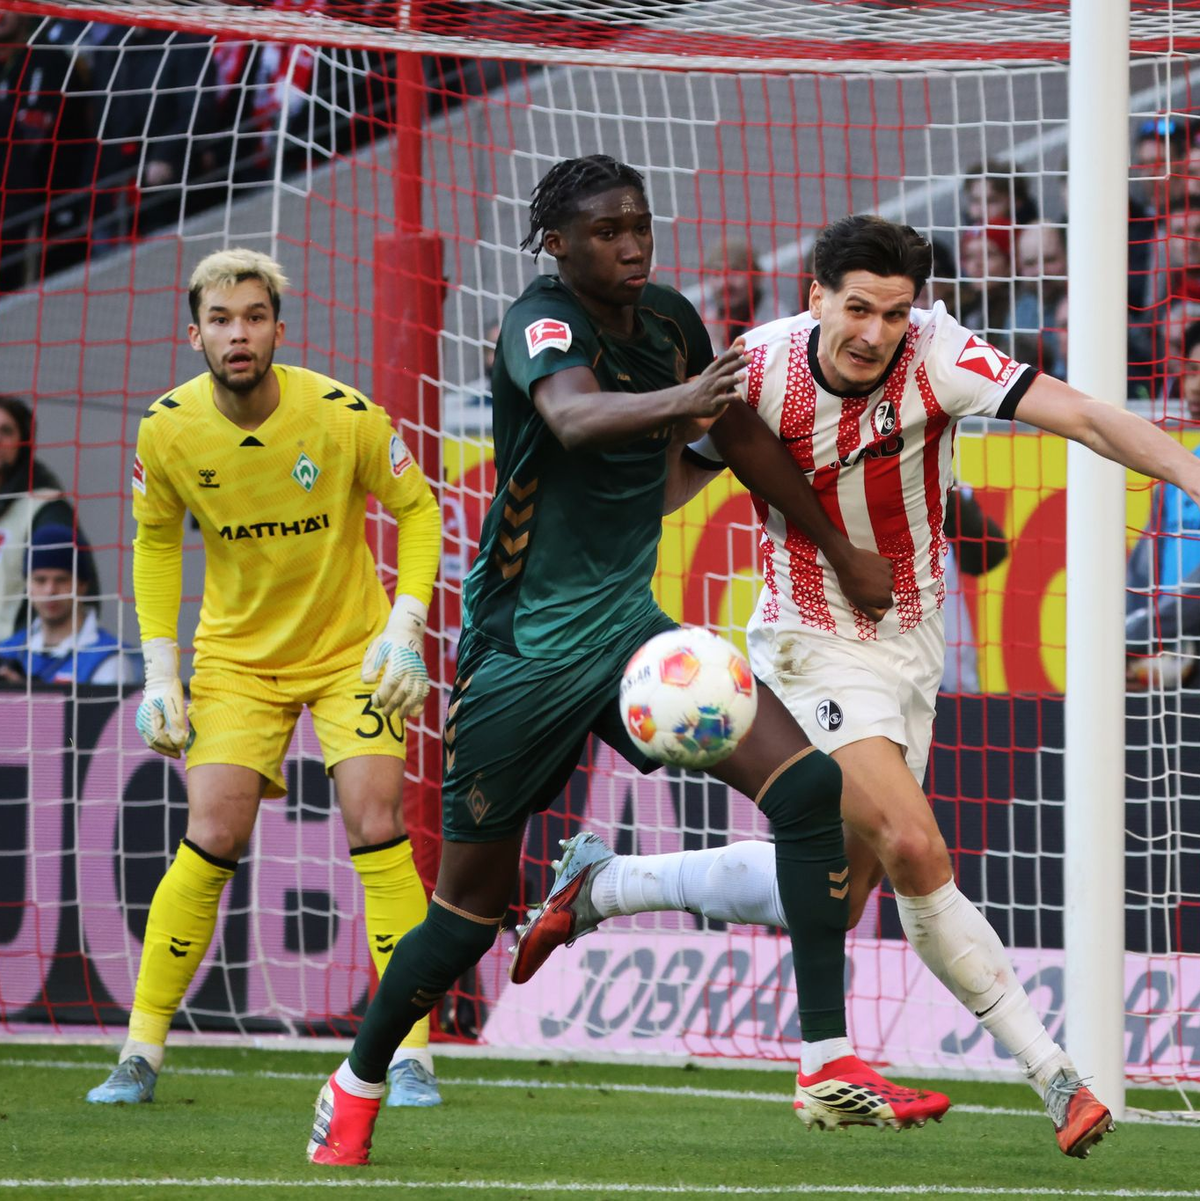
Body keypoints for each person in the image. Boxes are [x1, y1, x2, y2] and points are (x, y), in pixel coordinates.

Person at [305, 154, 947, 1167]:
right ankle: (356, 1080)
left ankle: (827, 1064)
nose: (633, 243)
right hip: (520, 657)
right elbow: (571, 413)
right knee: (466, 913)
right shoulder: (539, 319)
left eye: (640, 224)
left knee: (812, 792)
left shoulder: (673, 323)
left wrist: (834, 547)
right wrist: (683, 399)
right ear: (557, 243)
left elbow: (737, 436)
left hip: (630, 637)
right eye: (607, 231)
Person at [513, 213, 1200, 1159]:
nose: (876, 331)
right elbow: (678, 484)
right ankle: (1059, 1077)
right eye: (859, 308)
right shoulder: (755, 366)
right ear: (815, 299)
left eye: (894, 310)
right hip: (806, 638)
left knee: (831, 896)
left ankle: (605, 882)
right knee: (916, 842)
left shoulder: (940, 353)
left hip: (911, 640)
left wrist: (1191, 473)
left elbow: (1083, 416)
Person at [86, 248, 445, 1109]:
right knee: (211, 832)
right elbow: (156, 541)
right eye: (221, 319)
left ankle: (409, 1057)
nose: (238, 333)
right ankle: (140, 1050)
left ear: (280, 328)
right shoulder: (167, 428)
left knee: (376, 820)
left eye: (253, 317)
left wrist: (404, 628)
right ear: (196, 333)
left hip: (348, 649)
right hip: (236, 661)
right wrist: (161, 670)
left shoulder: (343, 414)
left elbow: (419, 509)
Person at [0, 523, 139, 686]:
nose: (50, 590)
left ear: (82, 585)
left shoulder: (110, 659)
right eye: (40, 580)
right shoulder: (7, 651)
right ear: (27, 585)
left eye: (61, 580)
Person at [0, 394, 80, 640]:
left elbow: (75, 593)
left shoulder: (46, 507)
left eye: (5, 431)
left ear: (24, 441)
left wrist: (24, 662)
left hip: (14, 665)